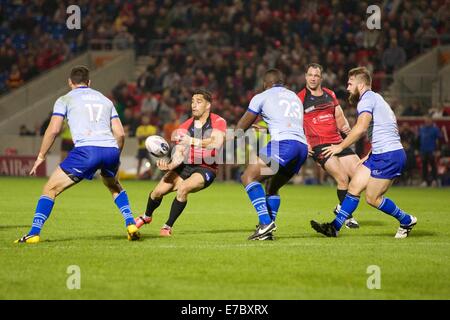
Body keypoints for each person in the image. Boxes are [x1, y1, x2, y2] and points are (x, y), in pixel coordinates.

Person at [15, 66, 140, 243]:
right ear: (89, 82)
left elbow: (54, 129)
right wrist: (115, 156)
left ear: (70, 82)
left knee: (50, 189)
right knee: (113, 186)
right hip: (110, 149)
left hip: (86, 151)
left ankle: (34, 233)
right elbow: (120, 133)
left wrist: (41, 155)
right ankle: (131, 223)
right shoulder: (105, 100)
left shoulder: (65, 99)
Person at [310, 67, 417, 239]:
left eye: (350, 83)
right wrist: (371, 153)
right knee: (353, 187)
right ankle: (334, 228)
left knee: (372, 198)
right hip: (380, 153)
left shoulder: (366, 99)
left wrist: (339, 147)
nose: (347, 87)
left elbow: (360, 129)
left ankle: (406, 220)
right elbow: (387, 127)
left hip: (389, 156)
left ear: (360, 85)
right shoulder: (377, 98)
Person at [134, 89, 227, 236]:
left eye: (199, 101)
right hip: (186, 165)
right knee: (157, 192)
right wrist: (169, 165)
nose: (194, 105)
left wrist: (192, 141)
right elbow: (179, 153)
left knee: (183, 188)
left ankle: (167, 226)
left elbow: (216, 142)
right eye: (192, 101)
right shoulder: (184, 126)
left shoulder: (218, 121)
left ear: (208, 105)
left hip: (206, 167)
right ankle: (147, 216)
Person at [236, 69, 308, 241]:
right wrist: (268, 128)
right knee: (271, 187)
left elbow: (242, 125)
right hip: (301, 147)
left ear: (265, 83)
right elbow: (290, 123)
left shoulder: (262, 96)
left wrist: (231, 139)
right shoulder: (295, 97)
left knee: (248, 177)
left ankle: (265, 222)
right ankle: (267, 230)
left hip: (283, 144)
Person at [298, 63, 360, 229]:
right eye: (310, 75)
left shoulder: (330, 94)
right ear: (305, 76)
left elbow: (340, 117)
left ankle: (341, 208)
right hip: (319, 145)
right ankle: (347, 217)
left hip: (338, 142)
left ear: (321, 78)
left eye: (316, 75)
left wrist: (348, 130)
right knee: (342, 178)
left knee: (361, 176)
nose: (313, 78)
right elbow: (294, 123)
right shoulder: (300, 98)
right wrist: (304, 143)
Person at [418, 117, 441, 187]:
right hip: (423, 150)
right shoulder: (422, 129)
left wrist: (437, 150)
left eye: (429, 121)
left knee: (433, 166)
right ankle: (424, 181)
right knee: (424, 166)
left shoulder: (435, 129)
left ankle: (434, 181)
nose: (427, 122)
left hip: (432, 150)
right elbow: (419, 140)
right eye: (426, 120)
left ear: (432, 121)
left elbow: (438, 140)